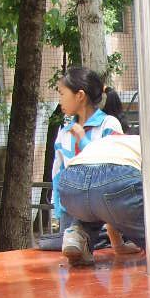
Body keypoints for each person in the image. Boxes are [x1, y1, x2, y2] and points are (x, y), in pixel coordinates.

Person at [59, 133, 150, 266]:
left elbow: (108, 208)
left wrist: (118, 246)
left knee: (98, 203)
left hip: (70, 185)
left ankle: (77, 236)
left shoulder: (115, 141)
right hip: (116, 183)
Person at [50, 67, 123, 233]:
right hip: (70, 213)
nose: (60, 100)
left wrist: (83, 141)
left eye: (62, 94)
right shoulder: (65, 132)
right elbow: (58, 173)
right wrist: (59, 209)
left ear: (80, 95)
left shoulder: (108, 125)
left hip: (104, 215)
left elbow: (114, 170)